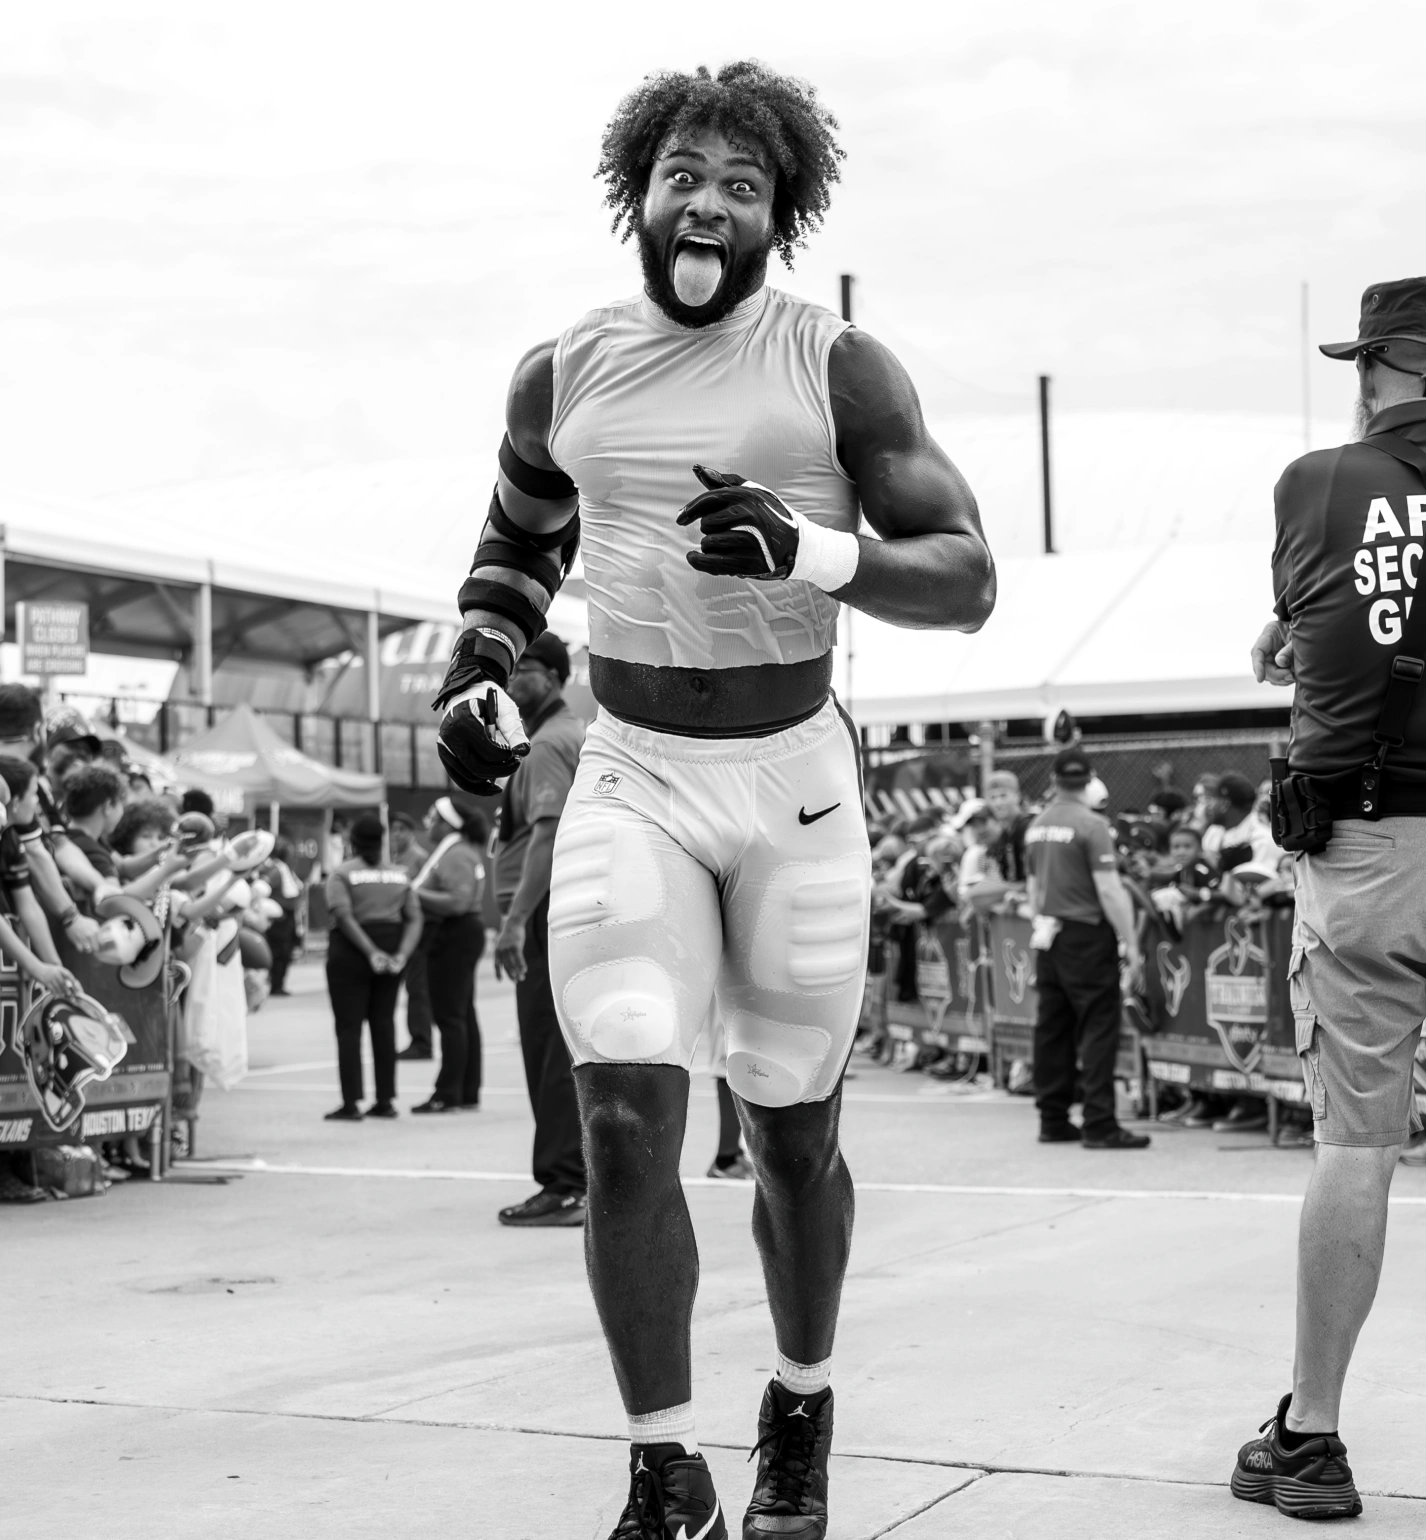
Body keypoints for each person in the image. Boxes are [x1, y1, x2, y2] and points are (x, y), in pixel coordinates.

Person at [431, 62, 993, 1540]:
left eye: (742, 187)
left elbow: (967, 576)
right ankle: (658, 1463)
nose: (707, 204)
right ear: (640, 191)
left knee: (791, 1126)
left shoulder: (838, 366)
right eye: (685, 175)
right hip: (630, 769)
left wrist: (809, 551)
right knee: (623, 1113)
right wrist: (477, 676)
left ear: (779, 214)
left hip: (792, 780)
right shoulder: (562, 370)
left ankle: (798, 1405)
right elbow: (514, 554)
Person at [1235, 276, 1426, 1518]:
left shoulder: (1327, 479)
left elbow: (1359, 629)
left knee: (1358, 1142)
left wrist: (1310, 773)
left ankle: (1310, 1435)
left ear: (1384, 369)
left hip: (1377, 840)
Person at [492, 632, 589, 1228]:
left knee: (549, 1053)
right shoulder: (558, 735)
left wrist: (513, 920)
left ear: (552, 676)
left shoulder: (551, 742)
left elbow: (546, 839)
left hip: (546, 915)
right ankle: (575, 1178)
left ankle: (564, 1184)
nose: (510, 679)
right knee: (557, 1049)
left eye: (522, 667)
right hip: (557, 914)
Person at [1024, 746, 1149, 1151]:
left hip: (1050, 934)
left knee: (1053, 1028)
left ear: (1054, 780)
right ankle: (1099, 1122)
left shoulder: (1037, 826)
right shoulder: (1093, 825)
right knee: (1098, 1026)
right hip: (1086, 934)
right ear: (1090, 780)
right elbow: (1109, 890)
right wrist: (1131, 943)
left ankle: (1053, 1118)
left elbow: (1031, 888)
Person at [323, 812, 423, 1121]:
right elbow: (414, 918)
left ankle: (351, 1103)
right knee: (383, 1025)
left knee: (348, 1028)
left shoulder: (342, 874)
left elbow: (344, 917)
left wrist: (370, 953)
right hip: (393, 947)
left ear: (352, 843)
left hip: (351, 953)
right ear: (381, 842)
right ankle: (385, 1101)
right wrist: (402, 954)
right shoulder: (399, 875)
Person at [410, 797, 487, 1114]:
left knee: (450, 1016)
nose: (428, 822)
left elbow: (457, 901)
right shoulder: (459, 850)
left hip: (455, 933)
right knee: (462, 1013)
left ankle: (448, 1092)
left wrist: (412, 893)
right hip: (461, 932)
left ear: (448, 823)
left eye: (433, 816)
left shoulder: (455, 854)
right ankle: (466, 1090)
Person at [389, 812, 434, 1059]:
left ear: (410, 832)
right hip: (401, 929)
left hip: (417, 930)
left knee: (417, 988)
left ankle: (422, 1042)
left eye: (400, 829)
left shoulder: (419, 858)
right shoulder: (395, 857)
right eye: (392, 829)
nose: (395, 834)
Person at [1202, 770, 1282, 877]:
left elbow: (1258, 886)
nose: (1208, 806)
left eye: (1212, 799)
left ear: (1225, 803)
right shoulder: (1213, 832)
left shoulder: (1262, 839)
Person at [262, 837, 303, 996]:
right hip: (279, 919)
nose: (294, 856)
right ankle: (274, 985)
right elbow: (263, 887)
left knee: (286, 952)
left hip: (290, 917)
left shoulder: (286, 870)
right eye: (291, 853)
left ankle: (279, 983)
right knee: (278, 951)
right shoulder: (277, 870)